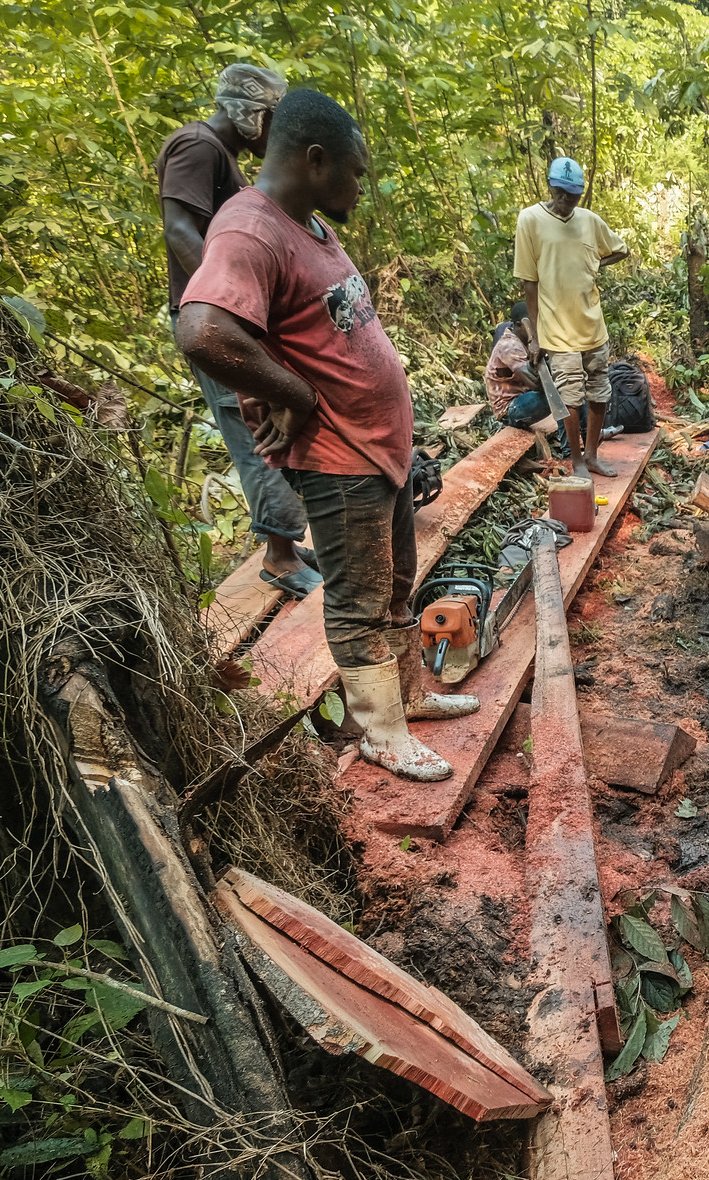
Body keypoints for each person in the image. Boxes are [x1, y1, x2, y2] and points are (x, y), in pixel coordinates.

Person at [176, 88, 479, 783]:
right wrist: (297, 394)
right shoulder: (250, 227)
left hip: (380, 450)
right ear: (315, 160)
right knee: (358, 596)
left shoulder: (307, 225)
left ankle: (405, 697)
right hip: (338, 455)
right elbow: (203, 328)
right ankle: (380, 732)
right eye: (356, 172)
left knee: (396, 586)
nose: (360, 187)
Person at [155, 63, 320, 598]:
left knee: (270, 415)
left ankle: (286, 542)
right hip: (217, 320)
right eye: (275, 124)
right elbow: (180, 228)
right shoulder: (197, 147)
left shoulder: (221, 157)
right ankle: (278, 554)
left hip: (232, 315)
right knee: (253, 426)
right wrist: (230, 297)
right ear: (255, 115)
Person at [513, 156, 628, 479]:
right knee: (569, 397)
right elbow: (529, 282)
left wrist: (594, 265)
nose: (566, 202)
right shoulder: (530, 220)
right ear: (550, 187)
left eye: (573, 196)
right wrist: (534, 336)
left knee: (599, 391)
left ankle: (592, 455)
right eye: (561, 194)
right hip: (557, 330)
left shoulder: (589, 221)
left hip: (592, 325)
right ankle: (576, 459)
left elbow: (620, 249)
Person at [484, 301, 568, 456]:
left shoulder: (524, 342)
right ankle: (569, 450)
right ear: (518, 325)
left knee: (571, 386)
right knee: (562, 393)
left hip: (525, 399)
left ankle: (584, 434)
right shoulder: (510, 346)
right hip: (510, 410)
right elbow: (536, 383)